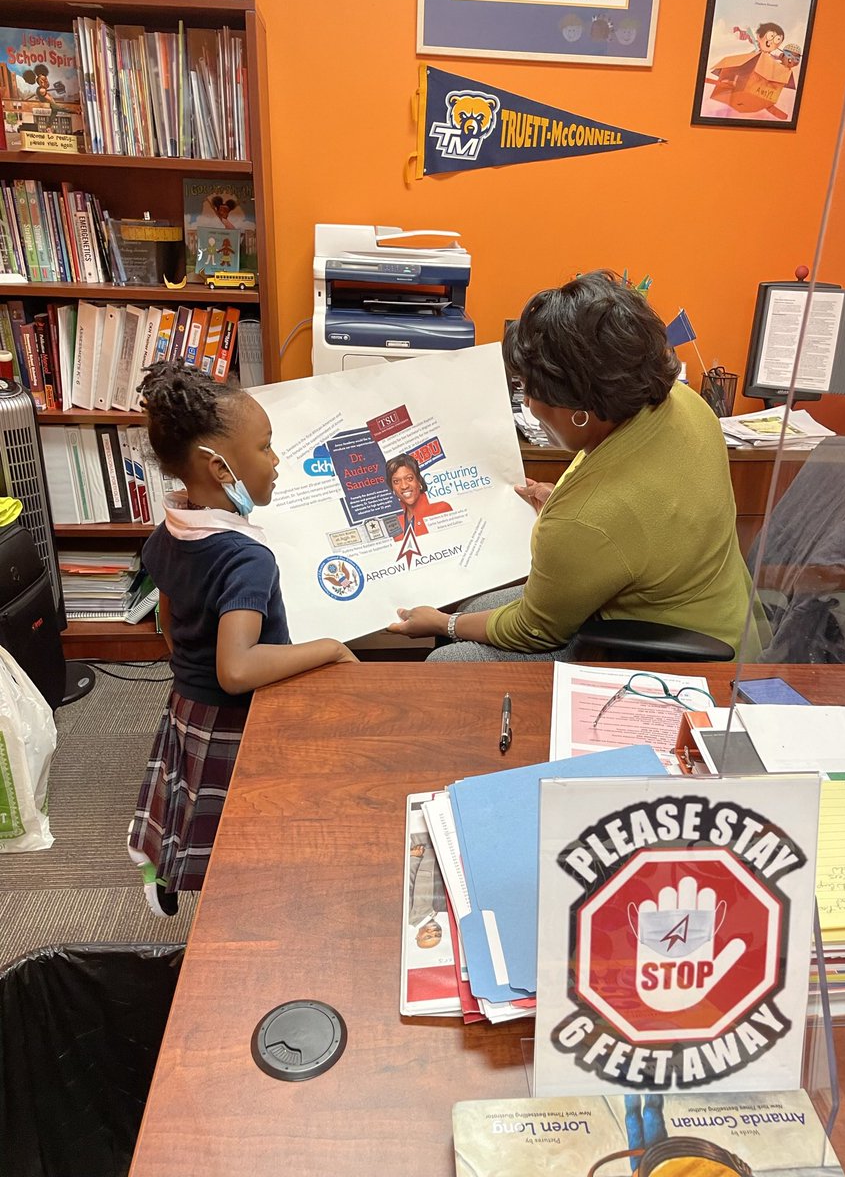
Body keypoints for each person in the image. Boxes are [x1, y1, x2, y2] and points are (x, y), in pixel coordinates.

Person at [388, 269, 764, 661]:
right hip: (726, 615)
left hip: (673, 649)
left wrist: (440, 624)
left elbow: (532, 630)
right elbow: (648, 516)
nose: (529, 405)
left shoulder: (589, 518)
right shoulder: (687, 404)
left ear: (582, 411)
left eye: (533, 393)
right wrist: (564, 505)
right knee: (474, 607)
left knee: (447, 660)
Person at [127, 359, 356, 915]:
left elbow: (168, 619)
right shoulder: (245, 559)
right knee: (243, 819)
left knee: (187, 801)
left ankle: (165, 874)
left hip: (187, 706)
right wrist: (327, 649)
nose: (276, 461)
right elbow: (237, 669)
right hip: (236, 719)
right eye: (265, 448)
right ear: (220, 468)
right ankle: (243, 910)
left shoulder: (169, 531)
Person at [386, 453, 452, 540]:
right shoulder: (393, 522)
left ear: (419, 480)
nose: (404, 486)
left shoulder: (442, 508)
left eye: (409, 478)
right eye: (396, 481)